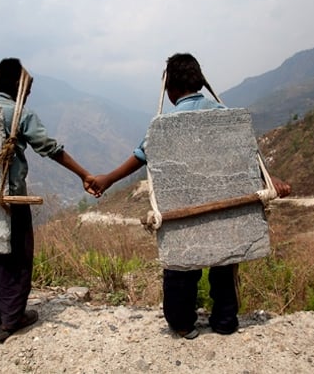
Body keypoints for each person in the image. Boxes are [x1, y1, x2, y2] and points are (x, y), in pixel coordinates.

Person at [88, 53, 291, 339]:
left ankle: (183, 324)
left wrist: (107, 179)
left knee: (180, 270)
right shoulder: (225, 116)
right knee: (224, 262)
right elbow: (249, 157)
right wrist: (272, 179)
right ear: (201, 82)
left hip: (182, 215)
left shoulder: (163, 126)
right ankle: (224, 321)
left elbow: (140, 156)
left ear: (169, 91)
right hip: (222, 211)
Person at [0, 57, 95, 344]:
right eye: (27, 89)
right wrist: (84, 174)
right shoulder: (18, 114)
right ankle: (11, 320)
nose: (28, 95)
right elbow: (49, 147)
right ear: (17, 84)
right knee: (16, 256)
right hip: (12, 198)